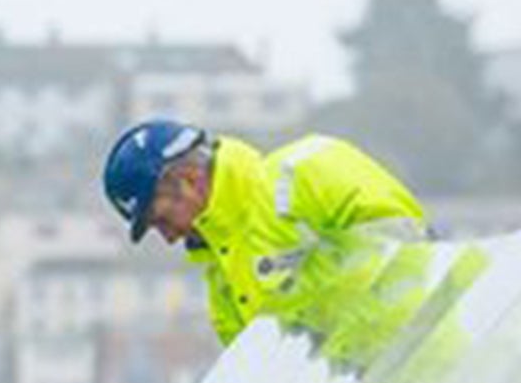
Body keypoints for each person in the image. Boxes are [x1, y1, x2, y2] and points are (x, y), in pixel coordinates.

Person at [101, 119, 433, 353]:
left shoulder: (310, 169)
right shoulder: (223, 284)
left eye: (160, 220)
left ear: (188, 179)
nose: (169, 238)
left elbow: (415, 260)